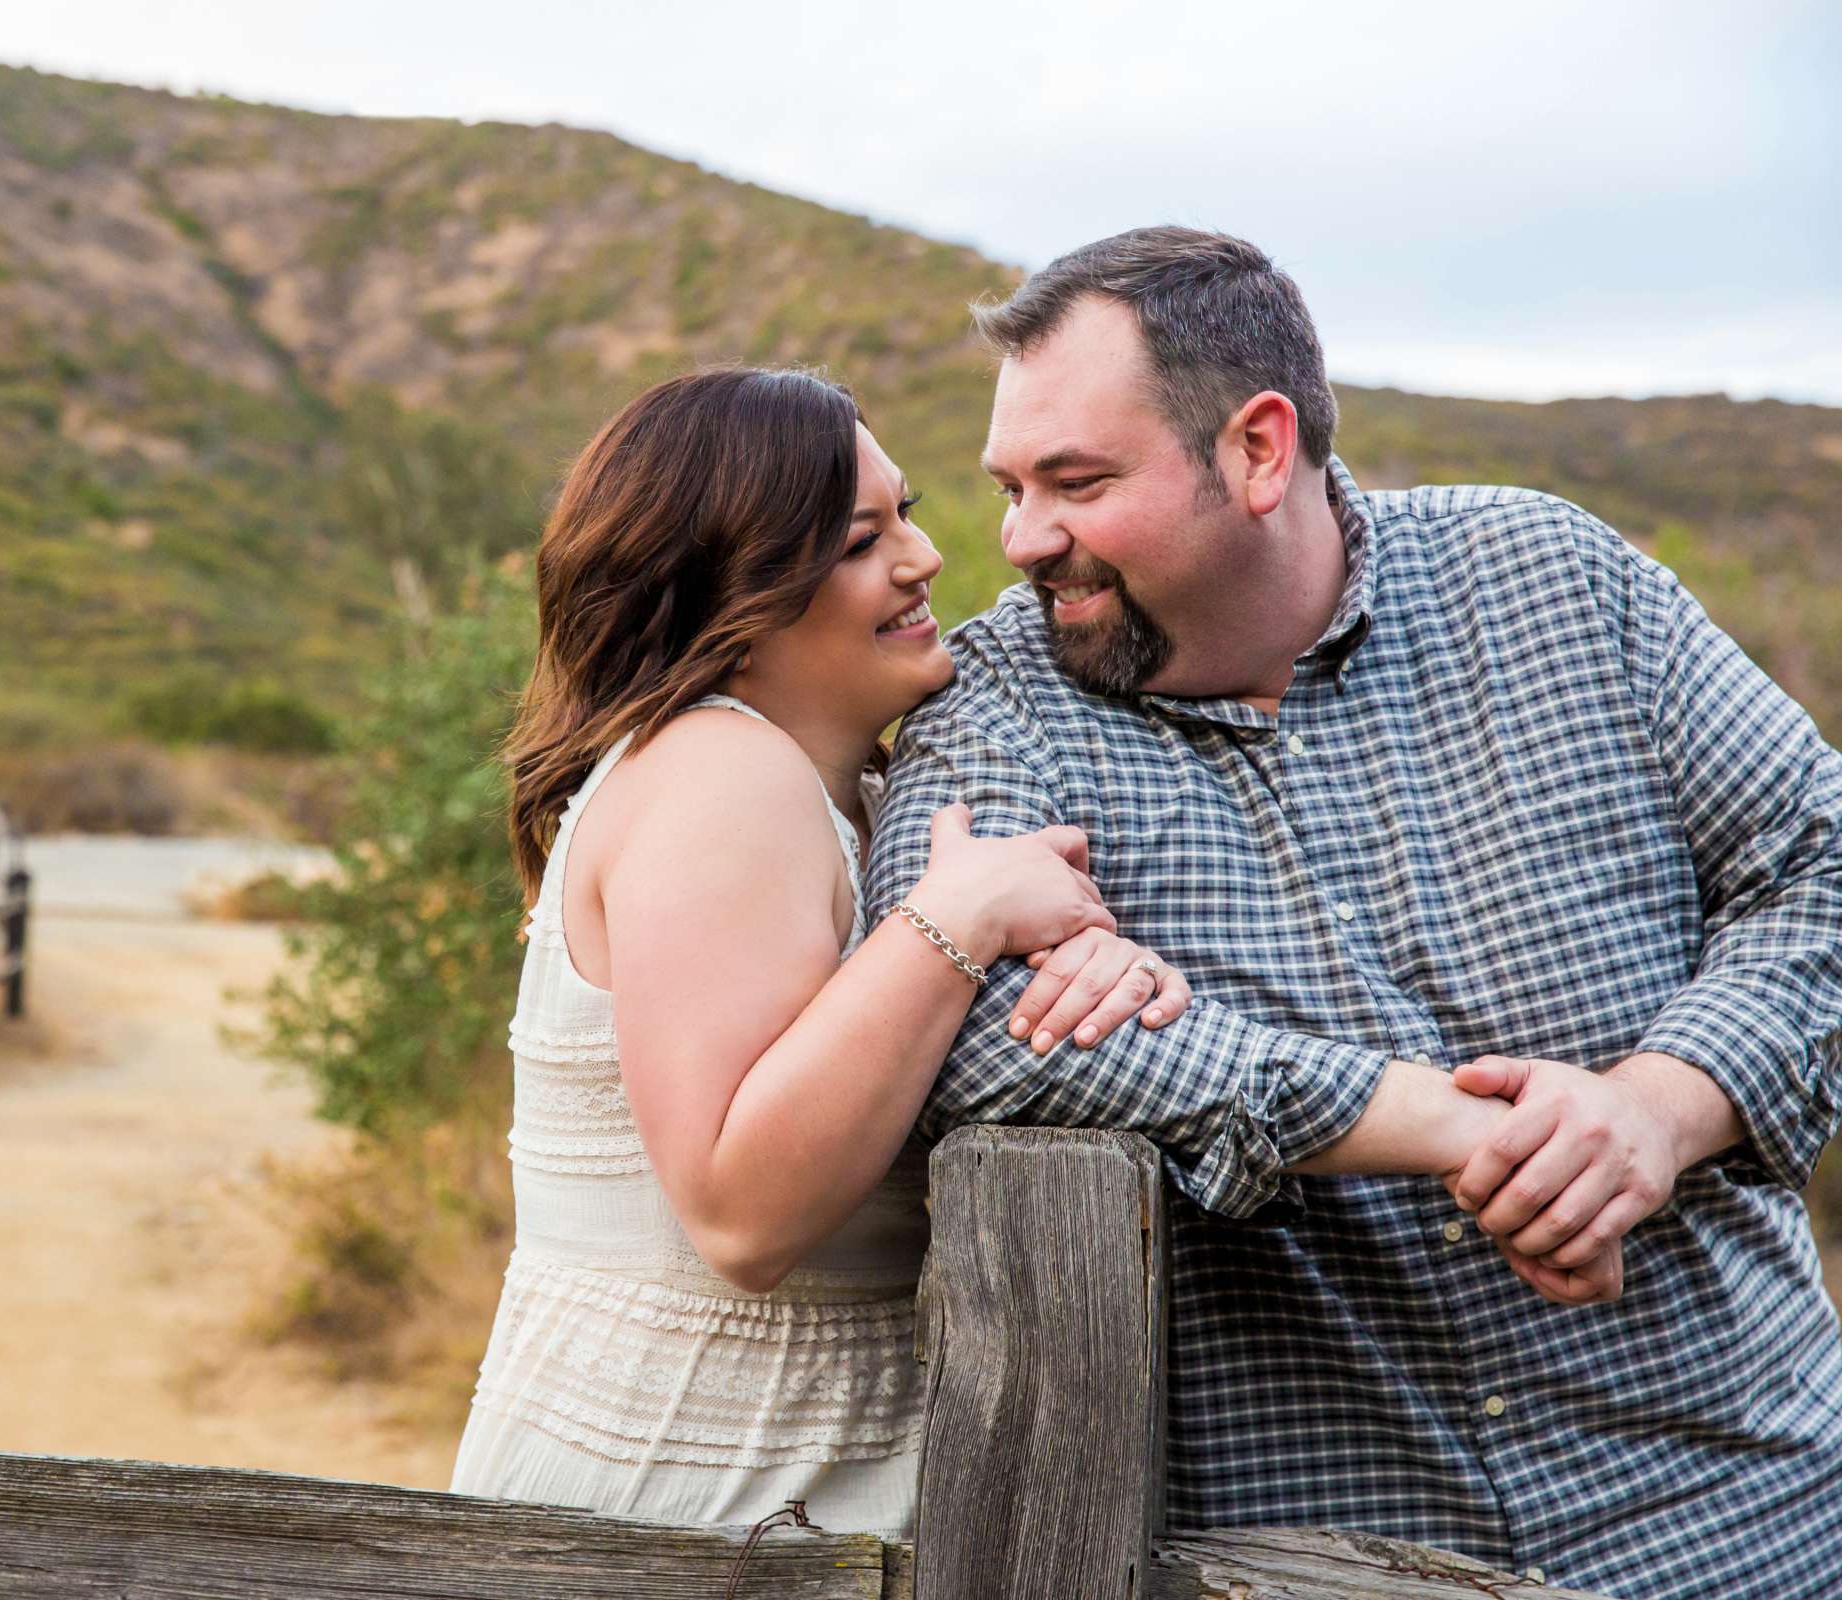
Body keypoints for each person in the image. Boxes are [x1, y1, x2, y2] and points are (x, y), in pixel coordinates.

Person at [865, 225, 1842, 1597]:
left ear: (1260, 451)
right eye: (1011, 486)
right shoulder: (998, 705)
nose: (1024, 539)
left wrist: (1654, 1111)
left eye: (1077, 482)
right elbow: (944, 1026)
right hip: (1323, 1567)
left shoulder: (1558, 584)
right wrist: (1431, 1120)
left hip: (1746, 1526)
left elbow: (1822, 861)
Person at [448, 367, 1190, 1537]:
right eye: (859, 540)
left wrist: (1108, 975)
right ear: (728, 594)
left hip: (791, 1515)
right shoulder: (717, 771)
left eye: (907, 512)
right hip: (680, 1520)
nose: (926, 557)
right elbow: (741, 1211)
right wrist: (960, 923)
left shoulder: (856, 801)